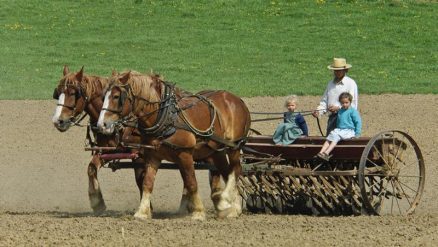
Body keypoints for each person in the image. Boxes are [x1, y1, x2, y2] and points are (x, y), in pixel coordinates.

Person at [312, 58, 358, 136]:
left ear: (345, 70)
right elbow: (324, 101)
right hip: (332, 119)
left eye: (339, 70)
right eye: (335, 70)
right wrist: (318, 111)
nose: (337, 72)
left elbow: (353, 104)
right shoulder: (330, 84)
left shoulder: (351, 83)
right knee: (330, 142)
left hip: (346, 120)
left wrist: (339, 108)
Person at [316, 92, 361, 161]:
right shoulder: (340, 111)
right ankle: (321, 152)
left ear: (350, 102)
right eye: (342, 103)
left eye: (346, 102)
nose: (344, 104)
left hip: (348, 131)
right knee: (329, 138)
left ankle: (326, 153)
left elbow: (358, 122)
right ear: (340, 103)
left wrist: (357, 133)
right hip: (340, 129)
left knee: (335, 138)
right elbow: (338, 121)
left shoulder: (353, 111)